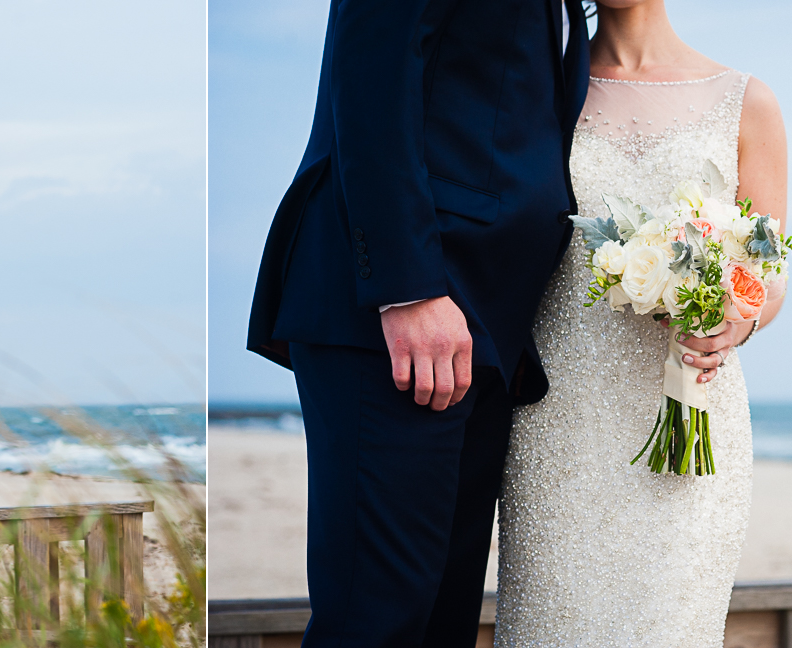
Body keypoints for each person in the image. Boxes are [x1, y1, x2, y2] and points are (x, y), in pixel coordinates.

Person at [246, 1, 590, 646]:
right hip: (402, 308)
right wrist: (409, 288)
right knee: (377, 622)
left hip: (488, 322)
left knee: (441, 624)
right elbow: (371, 72)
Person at [493, 1, 788, 645]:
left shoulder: (745, 100)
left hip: (690, 418)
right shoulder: (534, 93)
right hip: (559, 429)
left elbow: (771, 269)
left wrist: (734, 322)